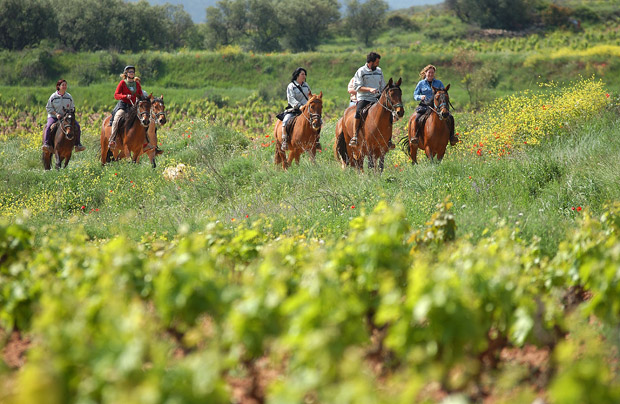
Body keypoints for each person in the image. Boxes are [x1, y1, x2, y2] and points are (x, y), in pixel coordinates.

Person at [349, 52, 393, 149]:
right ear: (371, 62)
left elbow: (382, 85)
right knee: (358, 112)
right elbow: (357, 87)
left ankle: (389, 139)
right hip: (364, 98)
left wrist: (385, 92)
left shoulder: (379, 71)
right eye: (377, 62)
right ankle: (355, 136)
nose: (378, 64)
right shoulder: (361, 71)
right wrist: (369, 89)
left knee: (389, 113)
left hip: (377, 98)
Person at [109, 65, 154, 152]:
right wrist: (125, 96)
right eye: (130, 72)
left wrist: (146, 99)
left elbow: (141, 94)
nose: (132, 73)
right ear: (126, 73)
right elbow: (116, 95)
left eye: (133, 72)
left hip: (133, 107)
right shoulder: (122, 83)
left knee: (144, 120)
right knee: (117, 119)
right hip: (123, 105)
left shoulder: (136, 84)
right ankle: (112, 140)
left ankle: (145, 142)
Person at [412, 64, 458, 146]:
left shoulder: (439, 83)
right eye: (429, 72)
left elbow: (444, 92)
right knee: (417, 118)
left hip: (437, 107)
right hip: (425, 105)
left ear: (434, 73)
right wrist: (420, 96)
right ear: (425, 73)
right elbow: (415, 95)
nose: (430, 74)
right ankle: (415, 137)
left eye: (432, 73)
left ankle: (452, 137)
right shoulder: (421, 83)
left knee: (450, 117)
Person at [42, 79, 85, 152]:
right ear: (58, 86)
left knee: (77, 126)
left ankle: (78, 145)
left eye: (65, 85)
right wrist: (56, 114)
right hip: (54, 116)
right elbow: (48, 107)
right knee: (49, 126)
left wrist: (69, 113)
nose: (64, 86)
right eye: (63, 85)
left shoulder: (69, 96)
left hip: (66, 118)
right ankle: (46, 144)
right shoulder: (53, 96)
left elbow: (72, 107)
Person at [281, 67, 313, 151]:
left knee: (317, 120)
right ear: (297, 75)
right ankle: (284, 141)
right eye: (302, 74)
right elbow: (291, 98)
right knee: (286, 120)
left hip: (306, 109)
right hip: (294, 109)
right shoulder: (291, 86)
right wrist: (299, 106)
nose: (304, 76)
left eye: (305, 74)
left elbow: (310, 96)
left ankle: (316, 141)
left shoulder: (306, 85)